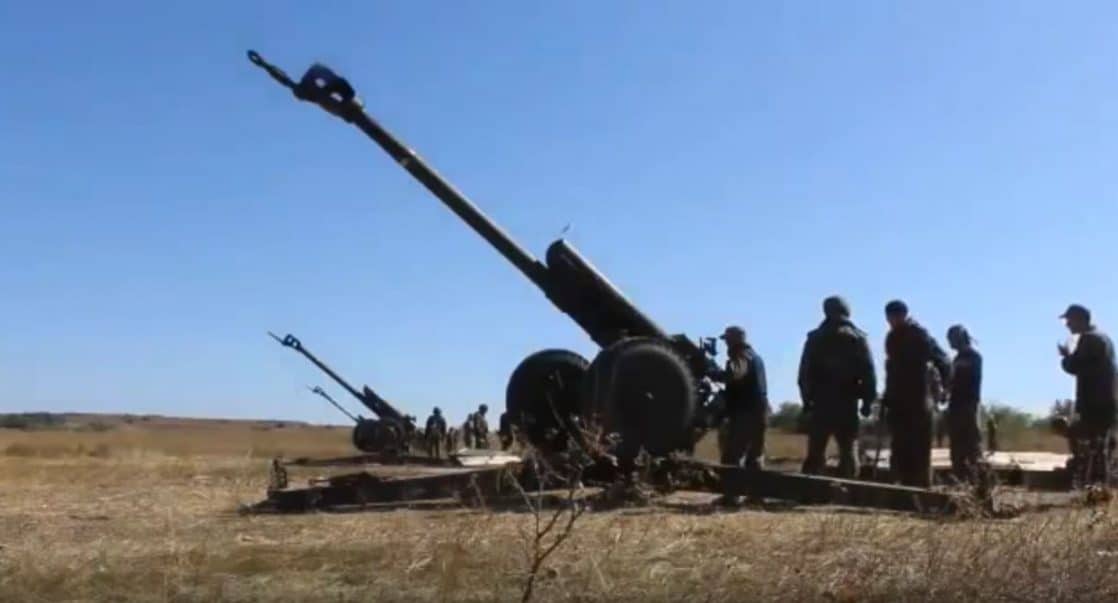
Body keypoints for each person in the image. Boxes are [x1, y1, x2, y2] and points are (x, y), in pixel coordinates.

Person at [798, 296, 877, 478]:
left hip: (821, 400)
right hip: (847, 401)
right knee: (848, 449)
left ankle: (810, 487)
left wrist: (806, 400)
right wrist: (867, 401)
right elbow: (868, 373)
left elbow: (804, 373)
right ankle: (849, 487)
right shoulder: (857, 338)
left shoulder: (815, 338)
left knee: (816, 450)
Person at [882, 300, 951, 488]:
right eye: (889, 317)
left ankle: (921, 490)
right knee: (899, 448)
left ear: (903, 315)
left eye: (895, 317)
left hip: (919, 399)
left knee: (919, 449)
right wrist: (887, 395)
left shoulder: (919, 334)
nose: (891, 321)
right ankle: (901, 489)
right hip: (898, 401)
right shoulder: (891, 338)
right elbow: (891, 369)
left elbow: (943, 360)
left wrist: (945, 388)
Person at [1058, 304, 1117, 485]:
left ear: (1080, 320)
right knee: (1099, 443)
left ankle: (1092, 481)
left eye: (1070, 320)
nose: (1068, 324)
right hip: (1107, 399)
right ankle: (1099, 482)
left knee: (1086, 440)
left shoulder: (1089, 339)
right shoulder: (1104, 338)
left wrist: (1066, 357)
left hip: (1093, 401)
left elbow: (1075, 366)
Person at [713, 326, 770, 474]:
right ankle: (755, 489)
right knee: (754, 458)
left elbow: (735, 374)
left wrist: (715, 374)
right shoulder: (755, 357)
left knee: (731, 458)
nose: (726, 344)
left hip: (746, 413)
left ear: (733, 340)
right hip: (760, 411)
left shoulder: (741, 356)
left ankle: (731, 488)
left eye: (727, 340)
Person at [945, 325, 984, 482]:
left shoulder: (973, 357)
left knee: (971, 445)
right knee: (957, 446)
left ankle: (976, 480)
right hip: (956, 406)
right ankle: (960, 478)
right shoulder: (957, 359)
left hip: (968, 405)